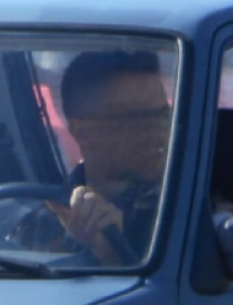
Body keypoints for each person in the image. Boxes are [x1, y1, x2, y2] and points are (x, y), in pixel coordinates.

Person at [51, 48, 173, 264]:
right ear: (83, 132)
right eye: (135, 118)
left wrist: (114, 254)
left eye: (163, 114)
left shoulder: (182, 212)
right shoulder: (46, 217)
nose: (157, 131)